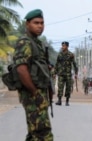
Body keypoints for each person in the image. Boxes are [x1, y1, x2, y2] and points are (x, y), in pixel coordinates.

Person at [12, 9, 53, 140]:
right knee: (42, 133)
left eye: (42, 23)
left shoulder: (36, 43)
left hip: (39, 93)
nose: (40, 26)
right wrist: (35, 93)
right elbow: (21, 69)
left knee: (35, 133)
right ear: (27, 24)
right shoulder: (25, 42)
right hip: (32, 94)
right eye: (36, 23)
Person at [54, 41, 78, 106]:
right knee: (60, 87)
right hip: (61, 74)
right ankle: (59, 100)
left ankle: (67, 101)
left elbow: (74, 64)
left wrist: (76, 73)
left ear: (67, 47)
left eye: (64, 46)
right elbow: (56, 64)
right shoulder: (59, 54)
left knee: (68, 88)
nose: (62, 47)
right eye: (62, 46)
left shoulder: (71, 55)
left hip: (68, 74)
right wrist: (54, 72)